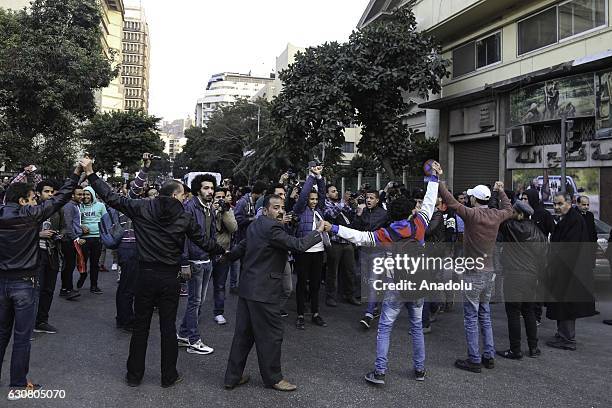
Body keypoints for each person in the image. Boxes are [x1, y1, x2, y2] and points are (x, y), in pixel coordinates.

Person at [81, 157, 225, 388]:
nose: (185, 197)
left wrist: (90, 173)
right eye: (183, 194)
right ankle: (168, 376)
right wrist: (225, 252)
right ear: (176, 195)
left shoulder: (141, 207)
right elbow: (205, 242)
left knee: (141, 327)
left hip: (145, 274)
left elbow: (111, 197)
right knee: (168, 327)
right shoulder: (184, 217)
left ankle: (133, 375)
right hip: (170, 277)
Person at [326, 161, 441, 384]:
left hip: (395, 286)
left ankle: (379, 372)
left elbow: (360, 237)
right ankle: (419, 370)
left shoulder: (386, 233)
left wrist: (335, 228)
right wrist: (433, 177)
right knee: (416, 327)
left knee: (385, 328)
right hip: (418, 285)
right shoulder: (420, 222)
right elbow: (429, 199)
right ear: (411, 211)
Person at [224, 194, 325, 392]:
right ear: (266, 209)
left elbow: (242, 247)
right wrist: (318, 231)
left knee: (243, 336)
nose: (280, 211)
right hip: (264, 292)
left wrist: (226, 256)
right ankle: (274, 378)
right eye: (276, 208)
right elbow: (298, 245)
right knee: (271, 335)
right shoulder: (273, 228)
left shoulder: (257, 224)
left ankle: (232, 377)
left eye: (282, 208)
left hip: (248, 290)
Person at [0, 162, 82, 394]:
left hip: (2, 280)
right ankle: (17, 382)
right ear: (23, 201)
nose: (37, 200)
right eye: (32, 197)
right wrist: (76, 173)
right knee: (22, 336)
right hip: (25, 282)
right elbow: (60, 198)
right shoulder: (30, 214)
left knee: (2, 332)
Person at [438, 180, 513, 373]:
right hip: (489, 272)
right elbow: (509, 209)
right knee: (484, 315)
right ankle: (488, 356)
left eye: (470, 196)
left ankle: (474, 359)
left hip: (473, 273)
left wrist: (440, 182)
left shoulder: (472, 215)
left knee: (471, 317)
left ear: (474, 199)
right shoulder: (496, 215)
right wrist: (501, 191)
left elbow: (451, 202)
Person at [545, 193, 596, 351]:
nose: (556, 207)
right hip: (566, 269)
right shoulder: (569, 219)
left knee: (567, 305)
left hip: (570, 271)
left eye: (559, 204)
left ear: (569, 203)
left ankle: (567, 338)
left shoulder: (573, 220)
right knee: (562, 304)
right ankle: (563, 335)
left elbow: (569, 247)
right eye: (554, 204)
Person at [497, 200, 547, 359]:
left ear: (519, 213)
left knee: (513, 312)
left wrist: (497, 195)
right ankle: (533, 348)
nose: (510, 213)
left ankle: (515, 349)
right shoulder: (538, 232)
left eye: (513, 211)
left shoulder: (510, 227)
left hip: (514, 275)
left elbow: (495, 215)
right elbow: (544, 256)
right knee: (529, 311)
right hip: (531, 276)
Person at [177, 174, 218, 355]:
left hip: (206, 259)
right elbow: (183, 237)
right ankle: (194, 340)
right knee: (195, 301)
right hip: (194, 261)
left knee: (198, 302)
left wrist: (214, 254)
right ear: (197, 190)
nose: (210, 191)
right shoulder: (189, 207)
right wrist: (184, 262)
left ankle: (184, 334)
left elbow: (211, 234)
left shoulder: (209, 207)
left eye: (211, 188)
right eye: (206, 188)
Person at [293, 161, 327, 329]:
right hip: (303, 252)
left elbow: (322, 191)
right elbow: (305, 193)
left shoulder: (320, 209)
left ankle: (315, 313)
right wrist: (311, 176)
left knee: (315, 284)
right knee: (301, 284)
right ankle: (300, 314)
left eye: (315, 199)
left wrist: (319, 177)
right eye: (311, 199)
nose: (313, 201)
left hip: (318, 252)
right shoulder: (300, 210)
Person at [354, 189, 388, 329]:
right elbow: (355, 228)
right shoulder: (362, 212)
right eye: (367, 198)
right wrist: (358, 214)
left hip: (378, 252)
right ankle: (375, 305)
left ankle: (368, 314)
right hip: (364, 251)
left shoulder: (384, 214)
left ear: (377, 200)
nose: (368, 200)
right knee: (364, 280)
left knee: (373, 283)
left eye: (372, 198)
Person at [33, 180, 63, 334]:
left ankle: (42, 321)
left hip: (52, 253)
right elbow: (19, 232)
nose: (50, 194)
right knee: (34, 290)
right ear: (38, 193)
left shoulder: (57, 210)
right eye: (47, 191)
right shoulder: (31, 209)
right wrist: (39, 234)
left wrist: (60, 235)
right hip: (35, 255)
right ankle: (29, 323)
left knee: (49, 289)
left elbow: (64, 227)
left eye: (52, 192)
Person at [323, 184, 359, 307]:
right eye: (333, 191)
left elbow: (352, 213)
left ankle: (350, 295)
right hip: (335, 242)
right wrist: (343, 202)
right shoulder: (325, 204)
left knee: (350, 270)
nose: (336, 193)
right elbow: (330, 215)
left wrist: (352, 202)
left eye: (337, 190)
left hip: (347, 241)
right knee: (332, 271)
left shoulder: (341, 203)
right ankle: (331, 297)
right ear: (327, 194)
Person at [232, 181, 266, 293]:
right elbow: (236, 220)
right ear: (259, 193)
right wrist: (251, 219)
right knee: (240, 263)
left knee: (247, 264)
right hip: (242, 237)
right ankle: (237, 286)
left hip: (251, 237)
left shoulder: (255, 203)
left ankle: (244, 285)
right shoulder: (243, 202)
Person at [211, 187, 238, 325]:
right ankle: (195, 312)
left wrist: (225, 212)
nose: (220, 200)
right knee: (200, 288)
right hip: (207, 252)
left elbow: (234, 228)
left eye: (223, 197)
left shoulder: (228, 210)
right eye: (218, 197)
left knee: (220, 285)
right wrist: (214, 211)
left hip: (223, 252)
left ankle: (219, 312)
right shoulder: (207, 209)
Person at [77, 186, 107, 294]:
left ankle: (94, 286)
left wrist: (105, 235)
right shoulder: (79, 206)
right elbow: (75, 221)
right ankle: (83, 275)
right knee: (82, 261)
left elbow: (105, 220)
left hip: (97, 238)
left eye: (88, 194)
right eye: (84, 194)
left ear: (92, 195)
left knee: (95, 263)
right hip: (83, 238)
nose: (85, 196)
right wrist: (80, 227)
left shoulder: (100, 206)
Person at [59, 185, 84, 300]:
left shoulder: (75, 205)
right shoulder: (69, 206)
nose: (82, 196)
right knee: (68, 266)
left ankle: (66, 289)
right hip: (68, 240)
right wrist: (76, 238)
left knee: (69, 265)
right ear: (72, 195)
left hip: (71, 238)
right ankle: (67, 290)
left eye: (82, 194)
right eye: (79, 194)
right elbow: (68, 225)